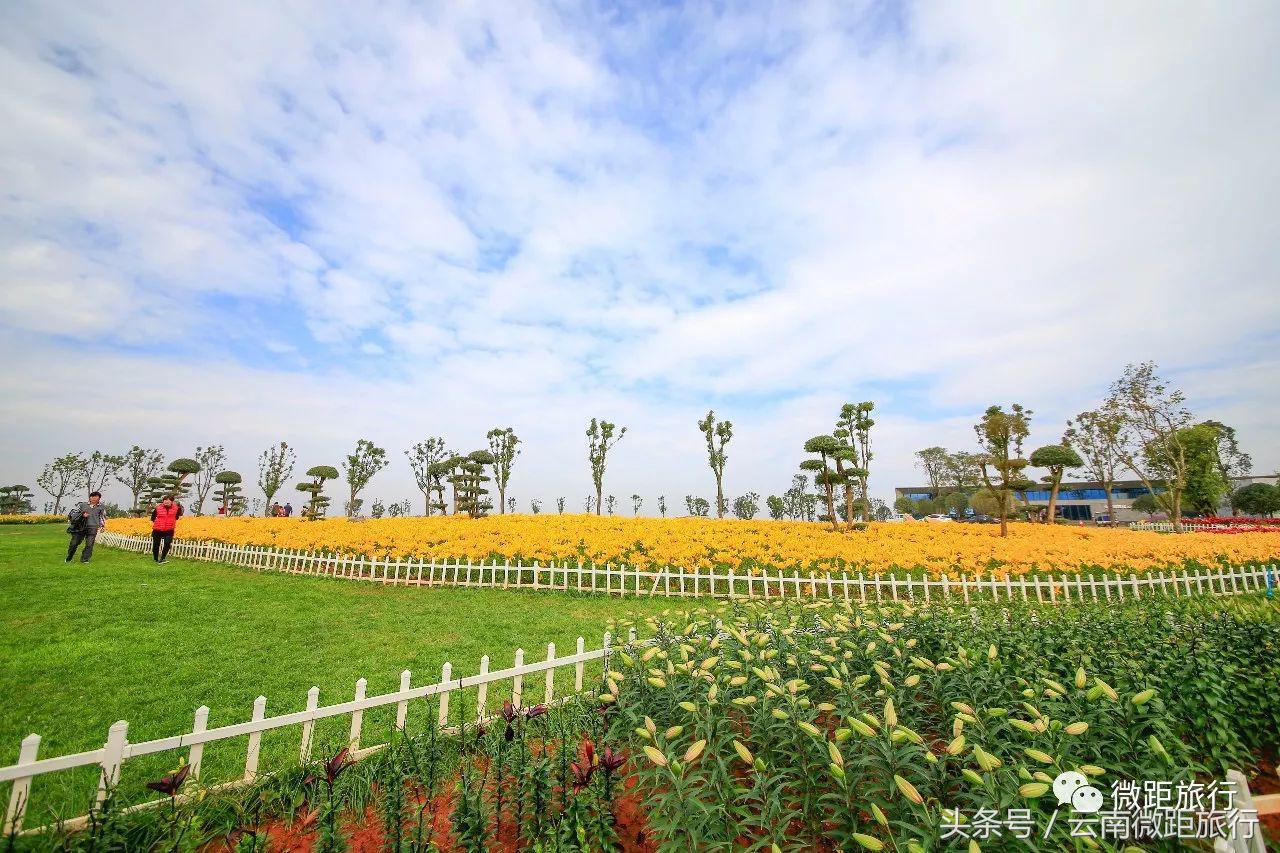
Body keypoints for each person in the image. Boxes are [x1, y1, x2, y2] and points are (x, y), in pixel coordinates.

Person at [66, 491, 108, 563]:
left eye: (96, 498)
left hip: (93, 527)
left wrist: (102, 525)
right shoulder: (82, 505)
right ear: (90, 498)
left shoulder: (101, 506)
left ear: (99, 499)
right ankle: (69, 556)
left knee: (89, 544)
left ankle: (84, 559)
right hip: (80, 527)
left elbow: (102, 517)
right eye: (92, 497)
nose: (94, 499)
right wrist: (82, 515)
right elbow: (73, 513)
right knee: (74, 543)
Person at [150, 494, 183, 564]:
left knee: (167, 544)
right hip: (157, 529)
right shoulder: (158, 508)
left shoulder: (176, 508)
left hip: (169, 529)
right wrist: (159, 523)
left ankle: (162, 558)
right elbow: (152, 518)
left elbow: (177, 517)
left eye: (168, 500)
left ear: (172, 501)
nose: (166, 502)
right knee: (156, 545)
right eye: (164, 500)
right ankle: (155, 558)